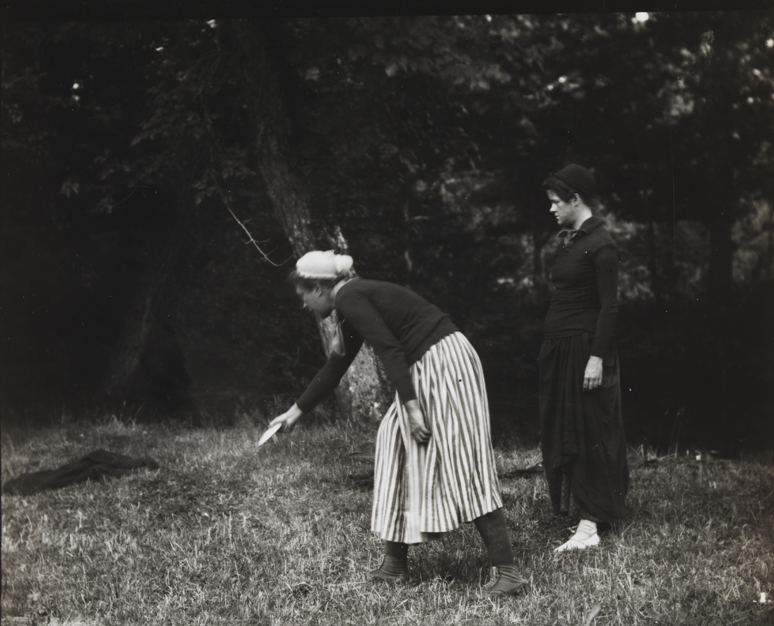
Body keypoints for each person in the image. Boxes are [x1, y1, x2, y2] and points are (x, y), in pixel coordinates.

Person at [270, 250, 527, 596]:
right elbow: (336, 365)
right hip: (427, 363)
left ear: (318, 288)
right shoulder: (350, 298)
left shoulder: (349, 296)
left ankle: (508, 572)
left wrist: (412, 407)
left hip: (444, 362)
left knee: (460, 458)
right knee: (394, 442)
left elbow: (391, 349)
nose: (304, 305)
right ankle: (394, 566)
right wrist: (296, 411)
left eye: (303, 296)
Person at [539, 164, 629, 552]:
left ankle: (590, 526)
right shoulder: (573, 240)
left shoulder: (602, 244)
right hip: (561, 345)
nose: (552, 209)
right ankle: (582, 509)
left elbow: (609, 306)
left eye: (557, 201)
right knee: (565, 426)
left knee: (588, 429)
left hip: (583, 347)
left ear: (576, 199)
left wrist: (596, 358)